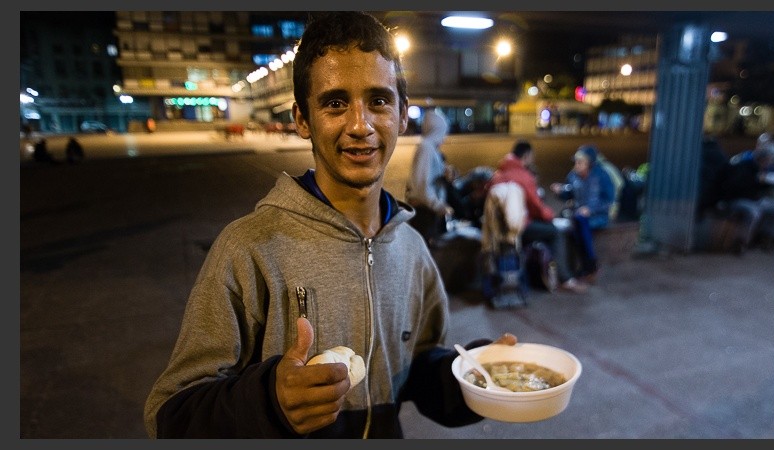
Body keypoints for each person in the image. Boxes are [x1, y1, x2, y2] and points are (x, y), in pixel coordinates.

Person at [143, 11, 516, 439]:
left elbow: (418, 372)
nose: (360, 125)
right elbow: (169, 415)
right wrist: (269, 402)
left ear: (401, 114)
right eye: (335, 103)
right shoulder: (248, 249)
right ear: (303, 119)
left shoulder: (412, 249)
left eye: (378, 100)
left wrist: (479, 376)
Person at [484, 140, 589, 294]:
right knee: (555, 232)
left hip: (498, 229)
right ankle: (565, 279)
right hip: (518, 227)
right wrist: (550, 216)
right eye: (531, 156)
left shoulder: (498, 174)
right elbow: (536, 206)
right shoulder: (523, 176)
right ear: (526, 156)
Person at [550, 144, 616, 283]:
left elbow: (609, 200)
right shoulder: (573, 175)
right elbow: (569, 193)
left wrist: (590, 209)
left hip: (598, 216)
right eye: (576, 162)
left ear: (589, 164)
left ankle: (590, 265)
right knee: (573, 222)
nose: (577, 165)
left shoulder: (602, 175)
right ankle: (586, 266)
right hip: (579, 215)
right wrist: (560, 191)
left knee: (579, 222)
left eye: (580, 162)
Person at [405, 108, 455, 245]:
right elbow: (422, 183)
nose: (444, 138)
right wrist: (438, 206)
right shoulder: (426, 148)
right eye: (443, 133)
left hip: (427, 211)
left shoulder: (430, 149)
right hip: (425, 213)